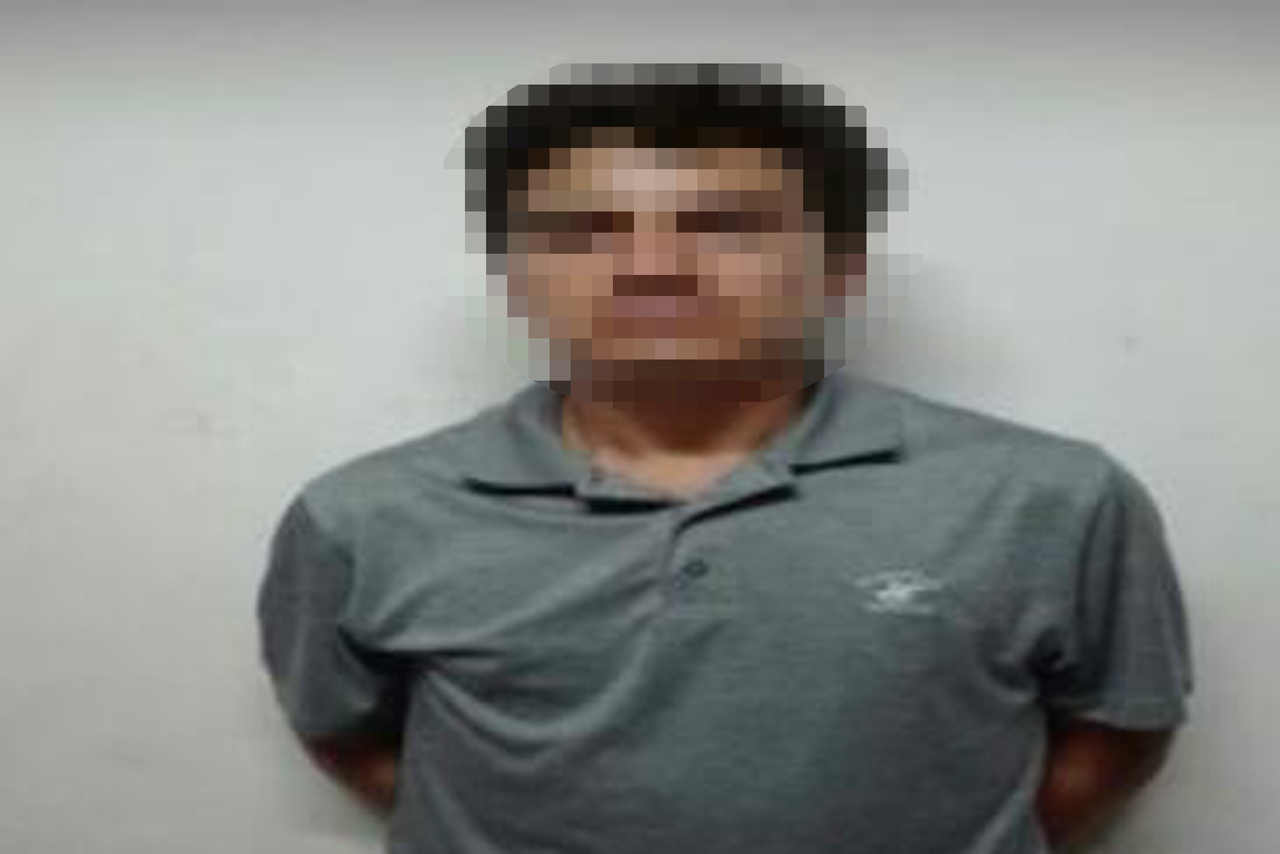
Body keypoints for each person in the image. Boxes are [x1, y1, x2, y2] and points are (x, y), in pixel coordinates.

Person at [255, 63, 1194, 854]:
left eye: (728, 226)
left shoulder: (1048, 497)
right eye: (586, 232)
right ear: (516, 274)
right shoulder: (364, 517)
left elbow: (1120, 729)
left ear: (841, 267)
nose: (654, 267)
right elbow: (349, 734)